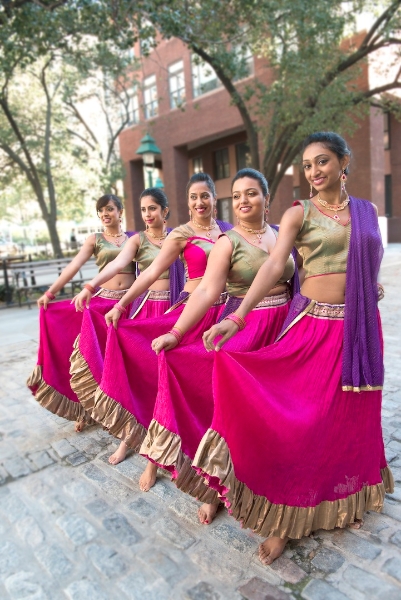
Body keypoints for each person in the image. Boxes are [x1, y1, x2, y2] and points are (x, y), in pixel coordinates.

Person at [192, 132, 393, 565]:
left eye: (322, 162)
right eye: (307, 165)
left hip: (358, 326)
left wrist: (368, 283)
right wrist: (238, 315)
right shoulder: (299, 212)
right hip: (315, 327)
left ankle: (344, 499)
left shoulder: (367, 211)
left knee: (351, 415)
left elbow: (368, 256)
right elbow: (272, 265)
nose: (314, 171)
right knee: (302, 420)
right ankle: (282, 517)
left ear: (344, 163)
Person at [141, 168, 297, 525]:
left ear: (267, 199)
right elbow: (209, 290)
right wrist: (177, 333)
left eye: (251, 193)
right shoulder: (227, 242)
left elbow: (309, 270)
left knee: (278, 410)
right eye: (237, 195)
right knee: (225, 405)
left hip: (284, 329)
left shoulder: (282, 234)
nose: (243, 200)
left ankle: (277, 480)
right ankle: (214, 487)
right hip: (248, 328)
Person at [72, 173, 232, 470]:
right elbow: (148, 272)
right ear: (187, 203)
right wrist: (119, 302)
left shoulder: (228, 231)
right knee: (164, 378)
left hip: (223, 316)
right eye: (193, 197)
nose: (200, 202)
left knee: (215, 390)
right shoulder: (180, 234)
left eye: (205, 196)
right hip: (190, 315)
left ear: (214, 198)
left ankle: (214, 463)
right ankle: (153, 453)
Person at [69, 187, 185, 440]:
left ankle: (167, 431)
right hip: (146, 311)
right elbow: (118, 264)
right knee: (140, 373)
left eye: (152, 208)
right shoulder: (137, 240)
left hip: (173, 310)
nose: (147, 214)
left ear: (165, 210)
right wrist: (90, 286)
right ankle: (131, 433)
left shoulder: (179, 237)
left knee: (168, 373)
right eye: (143, 210)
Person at [27, 194, 136, 431]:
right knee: (93, 359)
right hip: (102, 305)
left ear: (120, 211)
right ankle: (86, 410)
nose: (105, 214)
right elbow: (74, 266)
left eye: (109, 209)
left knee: (124, 362)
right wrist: (51, 293)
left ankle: (126, 412)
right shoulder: (95, 239)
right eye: (101, 211)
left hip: (130, 305)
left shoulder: (134, 238)